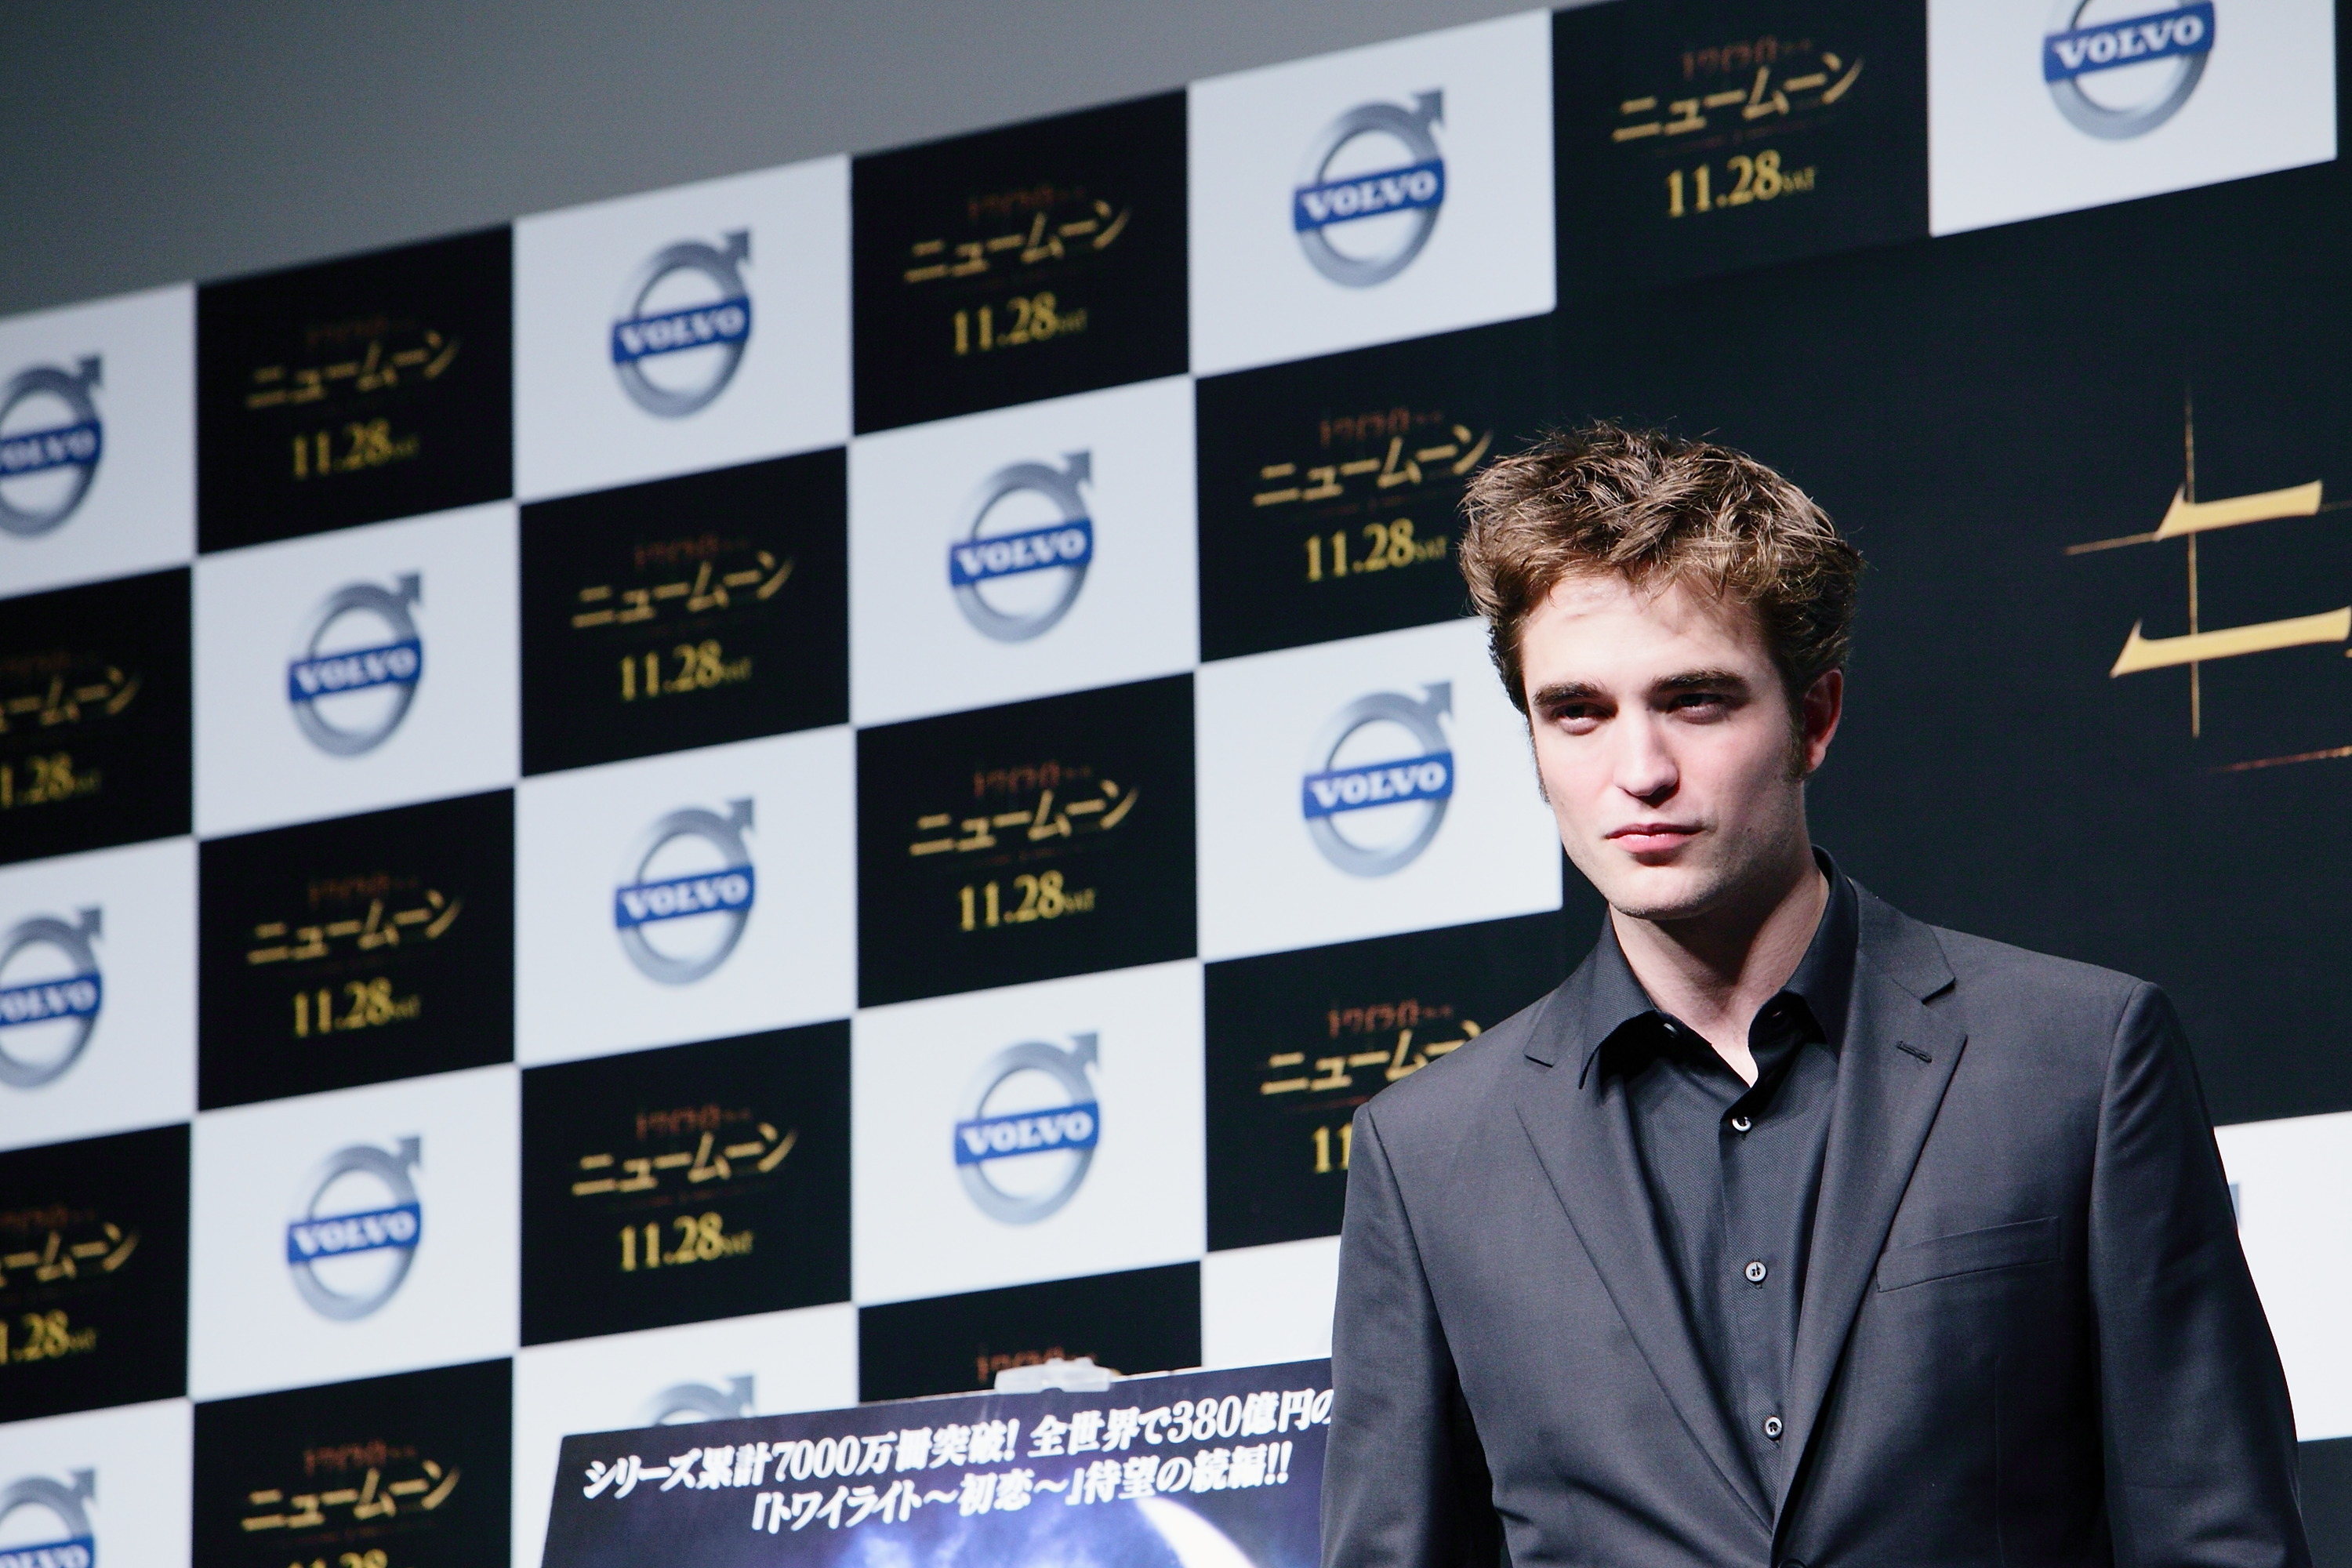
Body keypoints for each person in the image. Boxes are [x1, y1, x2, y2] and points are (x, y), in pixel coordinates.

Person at [1320, 423, 2307, 1568]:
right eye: (1577, 711)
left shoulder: (2079, 1061)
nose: (1639, 771)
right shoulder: (1428, 1154)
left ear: (1815, 718)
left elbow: (2217, 1536)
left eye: (1696, 700)